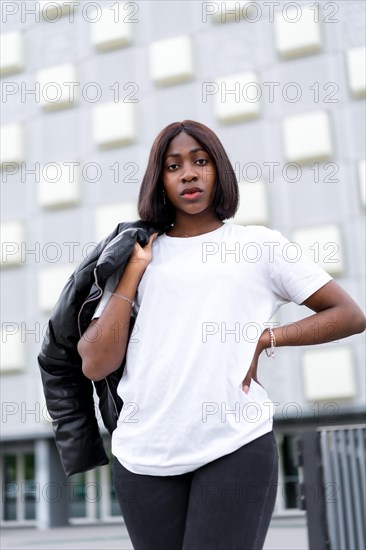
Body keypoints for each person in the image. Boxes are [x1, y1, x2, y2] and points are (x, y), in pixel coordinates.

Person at [77, 120, 366, 550]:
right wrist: (135, 271)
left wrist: (269, 338)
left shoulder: (259, 246)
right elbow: (96, 361)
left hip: (234, 442)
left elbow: (348, 314)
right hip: (142, 454)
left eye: (200, 161)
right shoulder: (134, 255)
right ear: (160, 180)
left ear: (219, 171)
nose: (188, 173)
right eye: (173, 166)